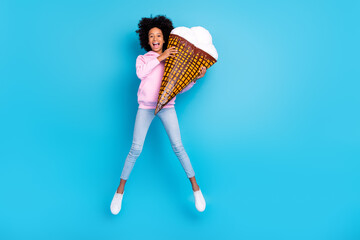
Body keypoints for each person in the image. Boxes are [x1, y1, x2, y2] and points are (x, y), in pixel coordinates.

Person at [110, 15, 207, 215]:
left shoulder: (173, 61)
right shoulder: (143, 59)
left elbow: (179, 88)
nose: (155, 38)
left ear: (165, 39)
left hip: (167, 107)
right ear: (147, 40)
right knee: (135, 149)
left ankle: (196, 188)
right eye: (151, 35)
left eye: (159, 35)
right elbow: (141, 73)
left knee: (178, 147)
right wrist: (160, 58)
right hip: (145, 108)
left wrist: (195, 78)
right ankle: (119, 191)